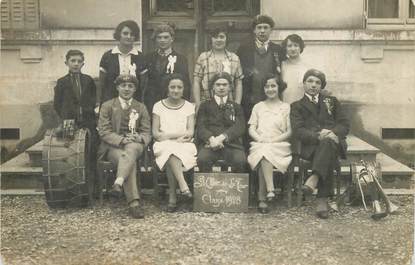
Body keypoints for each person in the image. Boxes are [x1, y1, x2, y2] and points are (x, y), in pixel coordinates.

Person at [290, 69, 350, 219]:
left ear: (322, 86)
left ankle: (314, 178)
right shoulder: (296, 106)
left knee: (329, 143)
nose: (313, 85)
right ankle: (322, 199)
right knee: (326, 145)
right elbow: (298, 130)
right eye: (310, 81)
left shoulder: (332, 101)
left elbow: (344, 124)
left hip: (334, 141)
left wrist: (333, 133)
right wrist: (319, 136)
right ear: (304, 84)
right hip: (310, 146)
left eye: (317, 82)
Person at [97, 74, 151, 219]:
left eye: (130, 86)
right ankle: (133, 203)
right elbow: (104, 131)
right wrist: (122, 140)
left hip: (136, 144)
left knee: (131, 150)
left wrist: (138, 137)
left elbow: (147, 132)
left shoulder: (141, 107)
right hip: (113, 146)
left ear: (135, 89)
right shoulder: (108, 106)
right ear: (117, 87)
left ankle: (119, 182)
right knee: (128, 160)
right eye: (123, 86)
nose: (127, 89)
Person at [247, 74, 292, 213]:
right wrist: (259, 138)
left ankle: (263, 198)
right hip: (260, 142)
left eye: (273, 86)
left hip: (280, 144)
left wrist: (273, 140)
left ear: (279, 88)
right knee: (263, 151)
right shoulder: (258, 107)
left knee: (264, 152)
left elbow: (289, 132)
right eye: (267, 86)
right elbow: (251, 128)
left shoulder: (286, 107)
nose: (270, 89)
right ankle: (270, 189)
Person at [152, 73, 197, 212]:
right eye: (172, 87)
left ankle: (173, 196)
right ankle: (183, 186)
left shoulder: (189, 106)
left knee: (172, 153)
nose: (176, 90)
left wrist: (170, 136)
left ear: (184, 89)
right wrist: (175, 136)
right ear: (167, 88)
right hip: (163, 144)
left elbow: (190, 132)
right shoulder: (158, 106)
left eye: (179, 87)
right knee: (170, 150)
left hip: (184, 144)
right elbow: (155, 133)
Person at [53, 50, 98, 182]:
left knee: (90, 151)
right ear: (66, 62)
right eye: (73, 61)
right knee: (70, 152)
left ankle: (91, 185)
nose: (76, 64)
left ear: (83, 63)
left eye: (79, 61)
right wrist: (66, 116)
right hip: (69, 122)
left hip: (87, 122)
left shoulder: (88, 80)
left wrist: (87, 112)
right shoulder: (62, 82)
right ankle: (73, 183)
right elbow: (57, 104)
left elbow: (92, 99)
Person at [196, 72, 246, 173]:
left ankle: (233, 188)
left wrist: (222, 138)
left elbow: (240, 126)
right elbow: (201, 127)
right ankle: (207, 188)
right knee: (203, 159)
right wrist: (212, 139)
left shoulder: (236, 107)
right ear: (213, 87)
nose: (221, 87)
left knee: (240, 161)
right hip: (210, 145)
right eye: (218, 85)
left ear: (230, 87)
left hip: (232, 145)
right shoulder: (205, 106)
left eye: (224, 85)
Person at [236, 15, 284, 120]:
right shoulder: (244, 49)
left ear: (271, 30)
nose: (262, 31)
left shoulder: (278, 50)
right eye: (259, 27)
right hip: (249, 100)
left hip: (271, 98)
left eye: (265, 27)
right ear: (254, 30)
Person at [144, 23, 191, 112]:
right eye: (159, 37)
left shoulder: (181, 59)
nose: (162, 40)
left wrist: (183, 106)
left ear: (172, 39)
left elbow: (186, 84)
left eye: (166, 37)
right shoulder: (148, 58)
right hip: (152, 103)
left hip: (173, 102)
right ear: (155, 40)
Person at [193, 27, 244, 108]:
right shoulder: (203, 57)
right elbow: (196, 81)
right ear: (211, 39)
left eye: (222, 37)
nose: (218, 40)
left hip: (229, 104)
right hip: (207, 103)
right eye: (215, 37)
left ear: (226, 39)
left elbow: (238, 83)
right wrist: (198, 104)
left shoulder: (234, 58)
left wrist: (237, 105)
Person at [99, 20, 146, 104]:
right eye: (125, 33)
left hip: (134, 102)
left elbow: (143, 85)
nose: (128, 36)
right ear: (119, 35)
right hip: (111, 101)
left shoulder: (141, 57)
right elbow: (102, 84)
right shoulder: (108, 56)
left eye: (132, 34)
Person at [281, 34, 311, 104]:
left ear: (300, 48)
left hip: (302, 108)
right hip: (284, 106)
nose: (293, 49)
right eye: (289, 46)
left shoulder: (307, 68)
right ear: (285, 48)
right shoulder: (281, 65)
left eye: (296, 45)